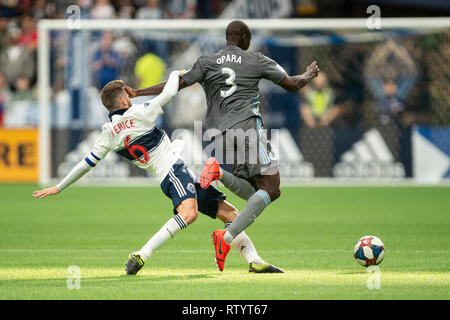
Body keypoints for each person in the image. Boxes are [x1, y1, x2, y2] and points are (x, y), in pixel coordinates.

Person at [32, 70, 283, 275]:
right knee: (190, 213)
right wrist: (177, 73)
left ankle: (255, 261)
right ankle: (142, 254)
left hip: (173, 173)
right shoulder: (140, 113)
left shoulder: (108, 132)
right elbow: (170, 91)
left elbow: (86, 163)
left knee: (230, 214)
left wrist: (59, 186)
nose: (130, 99)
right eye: (127, 96)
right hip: (173, 171)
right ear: (123, 100)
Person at [125, 20, 319, 271]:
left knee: (253, 193)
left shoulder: (207, 62)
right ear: (245, 38)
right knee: (272, 188)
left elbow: (176, 85)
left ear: (227, 38)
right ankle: (225, 238)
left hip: (221, 136)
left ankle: (218, 173)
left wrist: (138, 92)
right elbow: (291, 84)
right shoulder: (256, 59)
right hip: (248, 129)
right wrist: (308, 75)